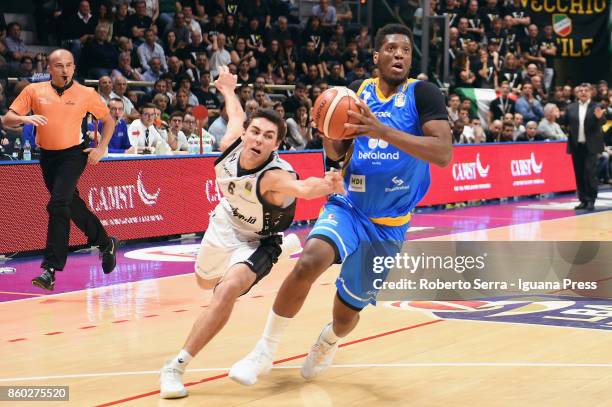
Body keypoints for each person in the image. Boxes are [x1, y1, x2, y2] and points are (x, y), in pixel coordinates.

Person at [229, 24, 452, 385]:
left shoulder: (423, 94)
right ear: (376, 56)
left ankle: (329, 339)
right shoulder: (357, 92)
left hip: (389, 224)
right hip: (349, 205)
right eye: (392, 49)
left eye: (406, 51)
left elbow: (442, 153)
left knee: (346, 313)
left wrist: (383, 131)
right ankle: (263, 352)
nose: (399, 55)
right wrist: (329, 134)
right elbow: (338, 150)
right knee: (309, 260)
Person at [159, 66, 345, 399]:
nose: (258, 139)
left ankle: (175, 366)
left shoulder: (274, 176)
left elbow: (301, 187)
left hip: (258, 241)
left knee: (226, 290)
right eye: (255, 132)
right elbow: (235, 113)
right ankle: (284, 249)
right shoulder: (231, 141)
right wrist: (228, 89)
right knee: (204, 283)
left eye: (268, 136)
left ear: (276, 145)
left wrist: (327, 185)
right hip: (224, 223)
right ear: (246, 133)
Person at [2, 49, 119, 290]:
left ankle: (50, 269)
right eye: (58, 65)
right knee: (69, 204)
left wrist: (101, 148)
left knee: (57, 205)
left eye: (68, 65)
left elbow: (109, 120)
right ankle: (106, 242)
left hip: (73, 155)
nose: (64, 70)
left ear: (74, 68)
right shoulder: (34, 91)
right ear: (49, 68)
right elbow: (7, 119)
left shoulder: (86, 93)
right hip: (47, 157)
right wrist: (25, 120)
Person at [560, 83, 605, 211]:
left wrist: (599, 118)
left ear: (591, 93)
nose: (583, 92)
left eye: (586, 90)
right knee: (579, 173)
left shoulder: (596, 106)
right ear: (577, 94)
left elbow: (602, 122)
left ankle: (591, 199)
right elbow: (564, 123)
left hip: (591, 146)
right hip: (576, 146)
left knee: (589, 172)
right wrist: (558, 117)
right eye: (581, 90)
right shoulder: (571, 108)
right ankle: (583, 200)